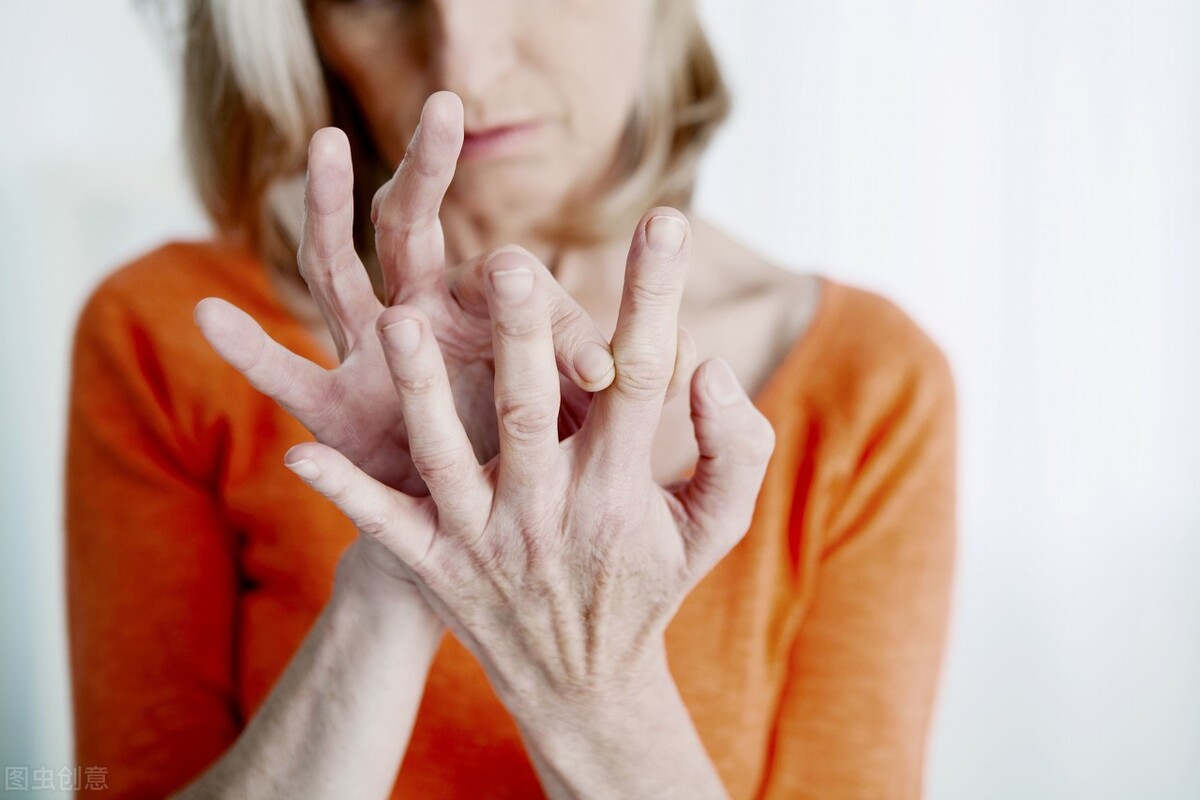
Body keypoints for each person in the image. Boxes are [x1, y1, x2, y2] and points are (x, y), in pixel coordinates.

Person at [66, 1, 957, 797]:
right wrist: (406, 561)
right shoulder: (171, 335)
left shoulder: (868, 382)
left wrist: (589, 681)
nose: (463, 60)